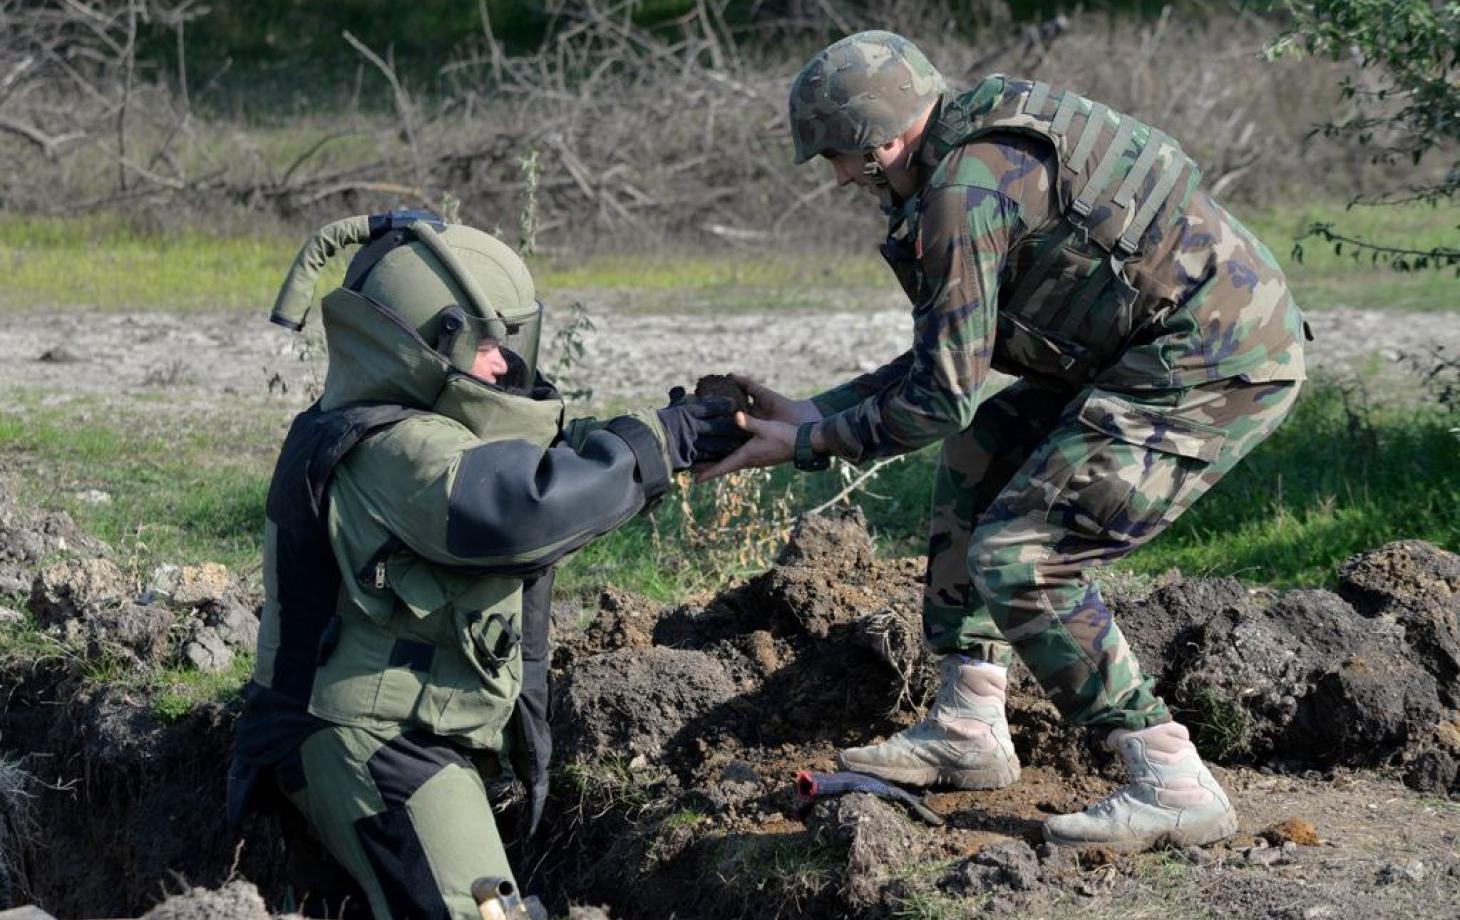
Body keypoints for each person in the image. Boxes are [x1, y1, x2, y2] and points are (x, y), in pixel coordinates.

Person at [699, 31, 1309, 852]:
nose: (842, 179)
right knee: (985, 451)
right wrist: (811, 410)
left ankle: (1170, 779)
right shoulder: (972, 144)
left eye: (843, 159)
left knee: (1023, 556)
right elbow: (955, 358)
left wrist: (805, 445)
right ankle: (969, 725)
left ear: (886, 143)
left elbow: (934, 402)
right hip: (1148, 345)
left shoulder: (966, 193)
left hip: (1214, 360)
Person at [228, 210, 741, 918]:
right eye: (488, 343)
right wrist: (656, 445)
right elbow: (523, 509)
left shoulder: (402, 425)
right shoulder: (397, 448)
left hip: (413, 731)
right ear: (422, 342)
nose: (506, 364)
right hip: (376, 743)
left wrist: (663, 439)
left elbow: (542, 469)